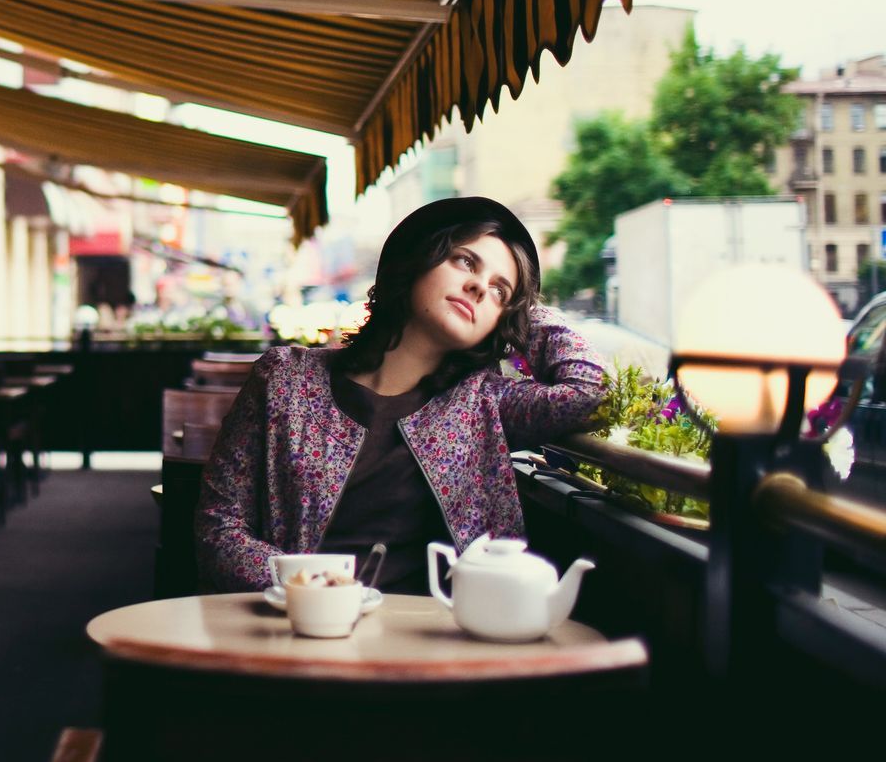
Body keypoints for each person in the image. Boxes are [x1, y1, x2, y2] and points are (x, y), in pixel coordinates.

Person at [195, 197, 605, 594]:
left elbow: (589, 393)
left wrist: (524, 311)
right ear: (417, 257)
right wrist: (306, 588)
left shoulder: (487, 402)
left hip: (436, 642)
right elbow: (219, 527)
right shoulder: (285, 379)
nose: (479, 286)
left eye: (500, 290)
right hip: (298, 630)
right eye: (465, 261)